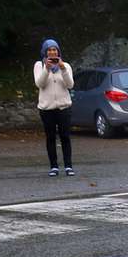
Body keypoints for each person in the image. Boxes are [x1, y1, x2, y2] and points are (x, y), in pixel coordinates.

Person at [34, 38, 75, 177]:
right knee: (50, 137)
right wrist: (47, 68)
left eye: (54, 50)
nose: (52, 52)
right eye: (49, 50)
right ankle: (54, 166)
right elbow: (40, 84)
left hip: (64, 107)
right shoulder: (39, 65)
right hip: (47, 108)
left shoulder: (66, 66)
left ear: (58, 51)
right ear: (45, 52)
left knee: (65, 136)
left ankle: (68, 166)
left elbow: (70, 85)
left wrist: (62, 69)